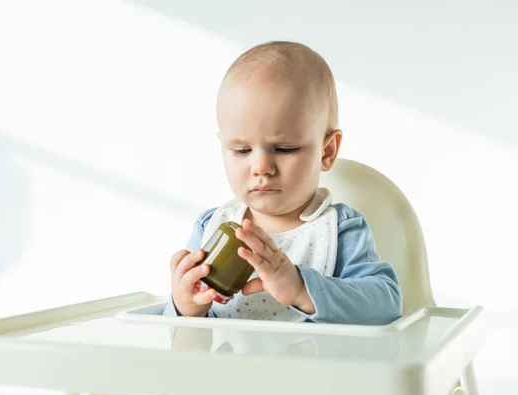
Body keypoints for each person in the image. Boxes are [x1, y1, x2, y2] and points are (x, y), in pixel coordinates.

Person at [164, 41, 402, 325]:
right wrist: (184, 305)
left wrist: (300, 288)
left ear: (326, 151)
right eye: (241, 151)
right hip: (224, 367)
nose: (261, 167)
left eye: (284, 149)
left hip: (316, 368)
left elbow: (386, 305)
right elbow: (176, 336)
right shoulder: (210, 227)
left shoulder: (341, 230)